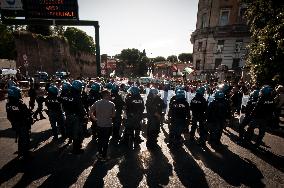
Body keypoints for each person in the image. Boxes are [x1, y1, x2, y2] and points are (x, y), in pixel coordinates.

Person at [6, 86, 33, 159]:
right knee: (25, 139)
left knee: (20, 138)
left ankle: (20, 151)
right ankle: (26, 154)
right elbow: (27, 114)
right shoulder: (20, 104)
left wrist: (14, 122)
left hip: (15, 124)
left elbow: (9, 116)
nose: (20, 94)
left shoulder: (8, 104)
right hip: (23, 124)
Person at [89, 90, 115, 161]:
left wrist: (95, 119)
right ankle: (104, 156)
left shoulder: (97, 103)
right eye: (109, 94)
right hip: (108, 125)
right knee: (106, 141)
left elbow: (90, 111)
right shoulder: (112, 104)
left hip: (99, 124)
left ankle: (100, 153)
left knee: (100, 139)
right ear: (106, 95)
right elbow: (113, 115)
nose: (110, 95)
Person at [64, 80, 87, 154]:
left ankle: (75, 146)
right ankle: (76, 149)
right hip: (76, 117)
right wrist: (85, 116)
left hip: (68, 115)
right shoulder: (77, 96)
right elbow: (81, 108)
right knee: (78, 133)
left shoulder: (67, 94)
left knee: (72, 131)